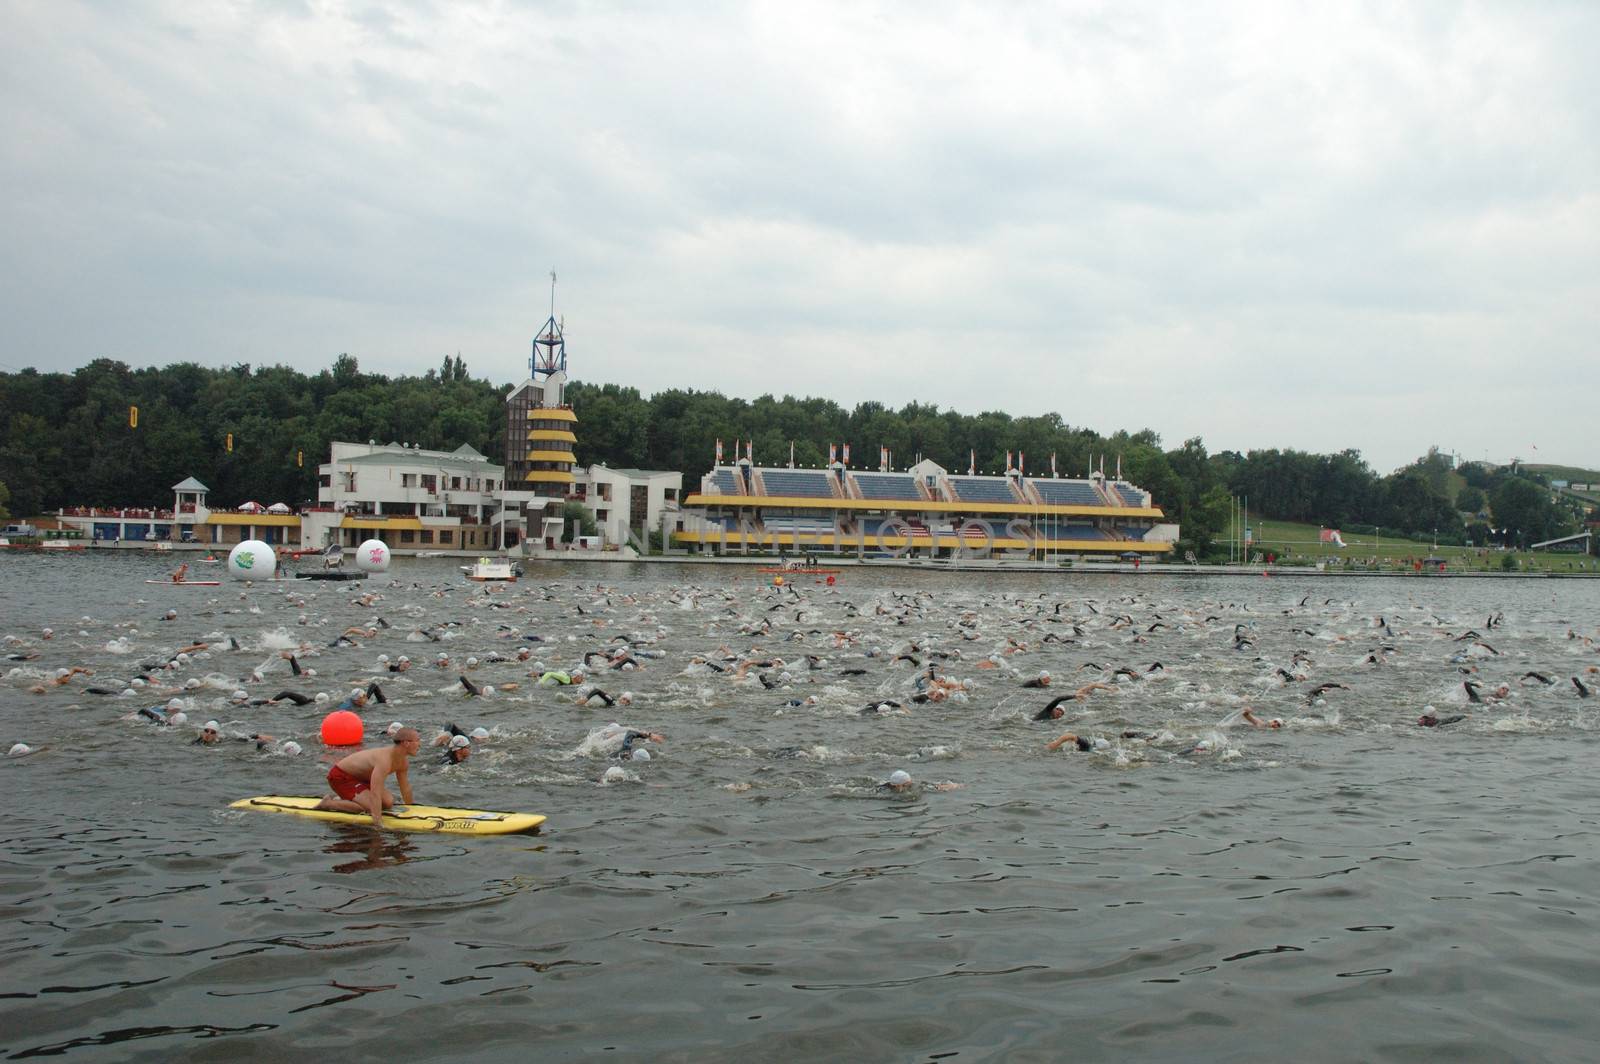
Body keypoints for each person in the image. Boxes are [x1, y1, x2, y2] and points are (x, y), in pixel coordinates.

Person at [314, 727, 422, 827]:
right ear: (406, 743)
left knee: (388, 802)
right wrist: (378, 824)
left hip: (361, 779)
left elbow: (405, 787)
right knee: (370, 807)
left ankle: (349, 798)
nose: (420, 744)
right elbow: (375, 793)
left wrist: (411, 809)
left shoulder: (403, 761)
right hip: (341, 777)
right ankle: (328, 803)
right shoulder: (384, 760)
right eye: (418, 740)